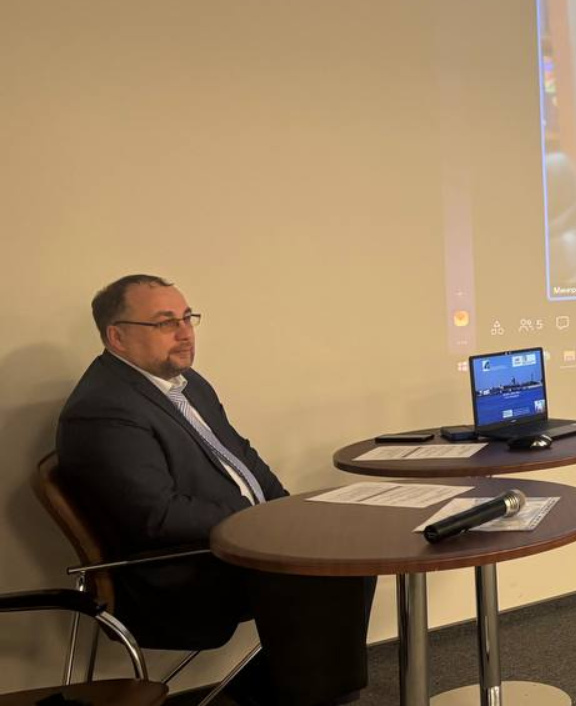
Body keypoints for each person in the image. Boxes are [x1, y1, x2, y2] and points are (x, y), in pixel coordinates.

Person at [56, 275, 373, 706]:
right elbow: (157, 516)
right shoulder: (104, 409)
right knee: (332, 570)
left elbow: (241, 455)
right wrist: (261, 524)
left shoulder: (186, 384)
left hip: (231, 547)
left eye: (188, 318)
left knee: (345, 551)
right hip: (177, 572)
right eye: (165, 323)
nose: (185, 333)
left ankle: (290, 694)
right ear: (118, 337)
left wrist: (288, 512)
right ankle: (301, 696)